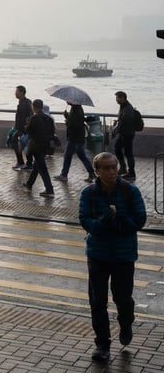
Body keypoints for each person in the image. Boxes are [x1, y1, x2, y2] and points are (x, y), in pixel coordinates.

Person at [79, 152, 147, 363]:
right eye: (105, 168)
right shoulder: (88, 193)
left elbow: (139, 221)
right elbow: (86, 222)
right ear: (96, 171)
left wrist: (117, 218)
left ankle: (126, 323)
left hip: (123, 256)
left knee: (123, 298)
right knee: (97, 301)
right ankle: (102, 344)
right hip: (98, 255)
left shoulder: (130, 191)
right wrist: (104, 220)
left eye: (113, 167)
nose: (110, 172)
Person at [24, 99, 56, 197]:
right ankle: (29, 183)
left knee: (42, 168)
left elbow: (28, 130)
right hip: (45, 146)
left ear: (34, 107)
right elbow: (52, 131)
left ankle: (49, 189)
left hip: (36, 146)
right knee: (37, 165)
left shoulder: (34, 118)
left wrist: (27, 123)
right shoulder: (49, 118)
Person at [55, 103, 95, 183]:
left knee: (67, 156)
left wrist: (67, 119)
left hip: (74, 137)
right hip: (78, 137)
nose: (66, 101)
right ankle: (91, 173)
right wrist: (67, 116)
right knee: (81, 155)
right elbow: (78, 121)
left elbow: (75, 124)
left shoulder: (75, 110)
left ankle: (64, 175)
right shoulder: (77, 108)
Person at [112, 91, 137, 180]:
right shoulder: (123, 106)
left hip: (127, 134)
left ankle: (131, 173)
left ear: (122, 98)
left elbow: (126, 121)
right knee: (117, 149)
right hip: (123, 133)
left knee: (128, 153)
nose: (116, 100)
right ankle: (123, 168)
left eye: (117, 98)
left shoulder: (128, 108)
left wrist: (118, 125)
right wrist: (118, 121)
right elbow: (122, 119)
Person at [10, 85, 33, 170]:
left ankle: (24, 163)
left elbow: (28, 116)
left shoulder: (25, 103)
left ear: (22, 92)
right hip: (21, 128)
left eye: (17, 92)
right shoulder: (24, 102)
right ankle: (26, 163)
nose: (15, 94)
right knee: (22, 144)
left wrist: (24, 127)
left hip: (23, 129)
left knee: (18, 143)